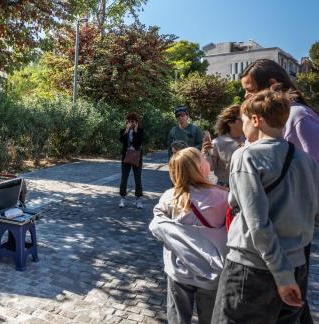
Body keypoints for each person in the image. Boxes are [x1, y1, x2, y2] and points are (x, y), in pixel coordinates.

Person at [211, 90, 319, 324]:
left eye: (245, 120)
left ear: (256, 119)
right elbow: (311, 212)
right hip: (297, 267)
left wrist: (281, 275)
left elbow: (257, 223)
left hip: (252, 270)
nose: (243, 127)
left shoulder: (247, 156)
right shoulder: (307, 161)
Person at [240, 58, 319, 323]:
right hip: (276, 237)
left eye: (250, 89)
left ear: (273, 85)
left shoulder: (298, 116)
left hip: (286, 235)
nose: (246, 95)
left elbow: (312, 175)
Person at [149, 147, 229, 324]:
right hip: (212, 272)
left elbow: (157, 225)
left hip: (179, 270)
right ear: (201, 168)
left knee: (177, 318)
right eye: (204, 158)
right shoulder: (223, 198)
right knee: (210, 319)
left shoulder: (170, 197)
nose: (207, 159)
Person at [202, 105, 245, 186]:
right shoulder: (217, 143)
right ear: (230, 123)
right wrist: (205, 152)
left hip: (247, 185)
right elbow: (209, 167)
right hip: (226, 188)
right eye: (242, 119)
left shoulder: (250, 139)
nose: (246, 121)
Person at [119, 112, 144, 209]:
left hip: (136, 157)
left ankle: (138, 199)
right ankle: (122, 197)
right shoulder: (124, 130)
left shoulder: (140, 130)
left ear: (136, 122)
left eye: (132, 121)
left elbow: (139, 142)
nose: (130, 123)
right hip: (126, 156)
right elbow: (122, 140)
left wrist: (136, 130)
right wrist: (127, 130)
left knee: (138, 178)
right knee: (124, 178)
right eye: (128, 121)